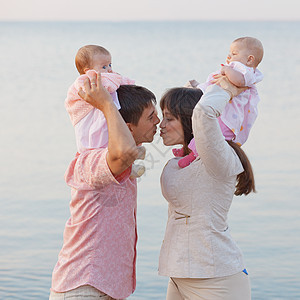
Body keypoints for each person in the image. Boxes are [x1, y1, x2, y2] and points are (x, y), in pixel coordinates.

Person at [49, 72, 160, 300]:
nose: (157, 121)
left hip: (107, 288)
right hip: (83, 286)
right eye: (151, 117)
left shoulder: (123, 160)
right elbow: (124, 153)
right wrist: (107, 104)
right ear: (128, 127)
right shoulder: (90, 161)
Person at [158, 76, 255, 299]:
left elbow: (202, 113)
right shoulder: (184, 159)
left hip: (216, 278)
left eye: (169, 119)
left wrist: (226, 89)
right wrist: (189, 92)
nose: (161, 126)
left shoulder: (217, 158)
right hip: (180, 273)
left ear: (188, 120)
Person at [175, 36, 264, 168]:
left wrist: (226, 70)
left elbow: (239, 81)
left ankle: (193, 155)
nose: (229, 56)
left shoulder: (247, 72)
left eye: (234, 54)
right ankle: (189, 149)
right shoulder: (236, 68)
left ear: (249, 59)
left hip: (230, 118)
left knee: (209, 134)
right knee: (201, 127)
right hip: (221, 112)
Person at [65, 44, 145, 178]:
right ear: (88, 70)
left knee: (115, 136)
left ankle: (131, 162)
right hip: (90, 118)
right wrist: (116, 81)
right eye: (103, 66)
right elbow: (93, 89)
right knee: (99, 142)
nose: (109, 69)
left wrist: (128, 84)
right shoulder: (84, 81)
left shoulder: (109, 77)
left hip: (102, 115)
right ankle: (129, 168)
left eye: (110, 65)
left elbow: (121, 82)